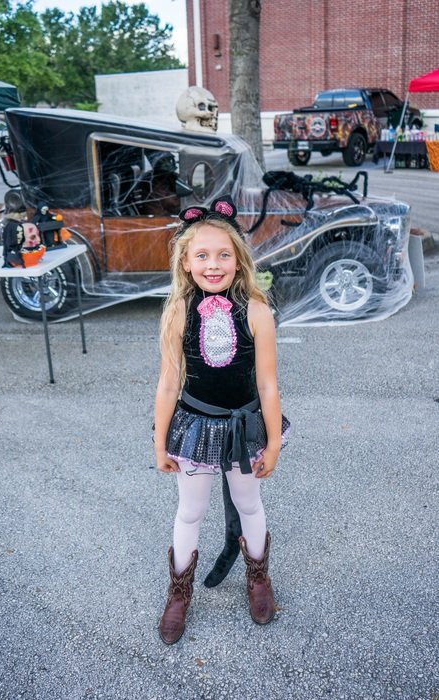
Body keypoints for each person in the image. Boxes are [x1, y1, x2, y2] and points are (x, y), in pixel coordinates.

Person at [153, 195, 289, 644]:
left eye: (223, 255)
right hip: (195, 426)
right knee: (191, 509)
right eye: (203, 256)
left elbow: (267, 384)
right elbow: (170, 384)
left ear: (238, 259)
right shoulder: (177, 313)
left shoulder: (256, 311)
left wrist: (271, 442)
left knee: (249, 503)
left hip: (245, 426)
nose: (214, 265)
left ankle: (258, 576)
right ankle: (179, 591)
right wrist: (160, 442)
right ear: (187, 264)